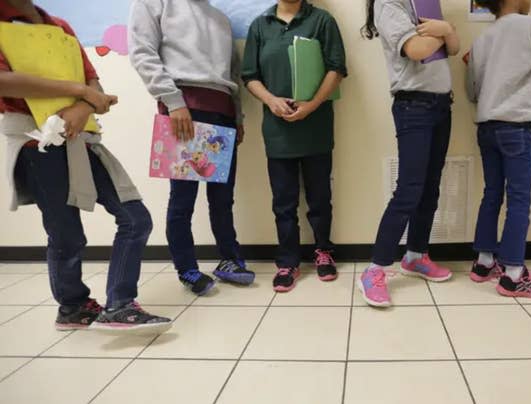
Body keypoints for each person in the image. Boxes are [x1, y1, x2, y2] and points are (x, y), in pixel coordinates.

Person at [0, 0, 171, 332]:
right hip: (38, 143)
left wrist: (82, 105)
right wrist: (78, 92)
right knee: (66, 234)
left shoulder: (60, 26)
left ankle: (119, 304)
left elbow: (94, 84)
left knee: (135, 218)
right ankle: (73, 306)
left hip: (84, 137)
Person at [129, 0, 255, 296]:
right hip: (183, 107)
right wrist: (173, 102)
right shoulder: (154, 3)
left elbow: (233, 75)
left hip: (222, 111)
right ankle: (186, 268)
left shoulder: (221, 19)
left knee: (222, 198)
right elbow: (142, 52)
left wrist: (237, 117)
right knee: (183, 199)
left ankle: (229, 260)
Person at [466, 0, 531, 298]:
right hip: (516, 125)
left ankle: (484, 262)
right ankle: (513, 273)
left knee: (492, 193)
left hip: (487, 126)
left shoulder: (483, 38)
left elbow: (472, 90)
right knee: (519, 199)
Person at [358, 0, 459, 307]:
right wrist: (445, 31)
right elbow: (417, 50)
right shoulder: (389, 5)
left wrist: (446, 29)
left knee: (430, 188)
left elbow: (452, 48)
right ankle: (375, 269)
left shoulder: (427, 3)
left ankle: (415, 255)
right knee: (409, 190)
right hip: (413, 106)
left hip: (442, 106)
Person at [242, 0, 346, 292]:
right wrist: (272, 101)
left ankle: (323, 251)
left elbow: (337, 68)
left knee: (320, 198)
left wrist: (312, 105)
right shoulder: (260, 25)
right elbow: (250, 75)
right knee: (283, 202)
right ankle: (288, 261)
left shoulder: (322, 21)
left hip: (316, 126)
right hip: (278, 130)